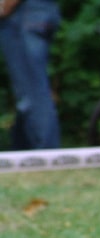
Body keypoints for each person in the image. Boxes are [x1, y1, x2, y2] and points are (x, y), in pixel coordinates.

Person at [0, 0, 61, 150]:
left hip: (22, 13)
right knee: (30, 91)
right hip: (37, 11)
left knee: (33, 95)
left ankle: (47, 157)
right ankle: (21, 155)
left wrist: (6, 4)